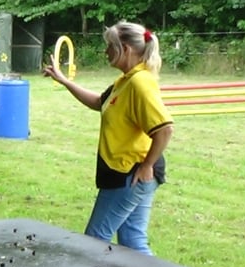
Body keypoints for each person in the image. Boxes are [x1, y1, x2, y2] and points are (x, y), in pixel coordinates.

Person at [42, 21, 174, 255]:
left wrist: (147, 166)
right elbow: (98, 102)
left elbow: (164, 129)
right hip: (127, 173)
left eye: (110, 47)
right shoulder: (126, 80)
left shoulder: (140, 83)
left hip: (130, 174)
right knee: (133, 242)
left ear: (126, 49)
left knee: (94, 242)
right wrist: (64, 81)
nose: (106, 52)